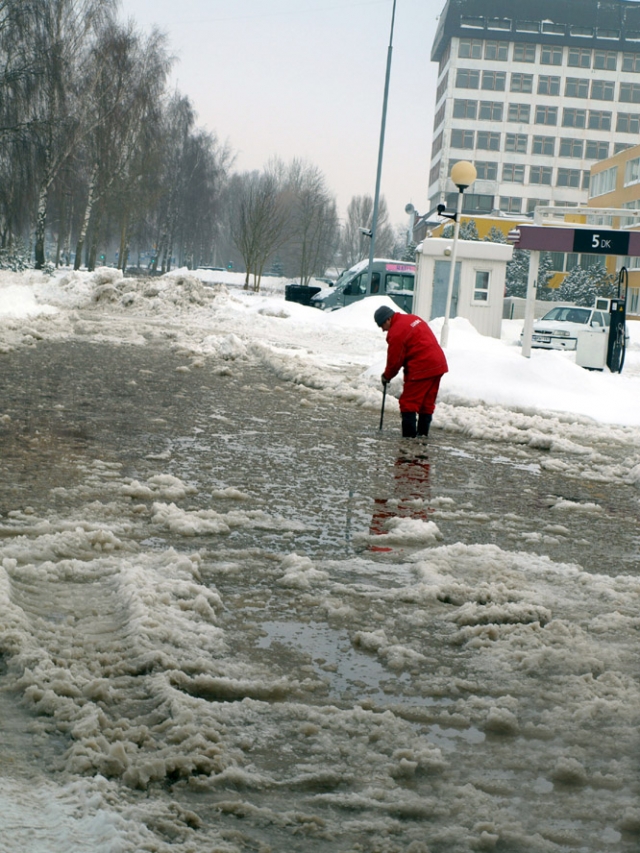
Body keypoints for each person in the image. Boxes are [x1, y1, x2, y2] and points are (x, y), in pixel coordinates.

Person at [374, 304, 448, 438]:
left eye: (381, 326)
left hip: (422, 366)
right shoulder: (412, 318)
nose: (383, 330)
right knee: (426, 403)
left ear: (388, 320)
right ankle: (422, 437)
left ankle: (408, 442)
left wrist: (387, 376)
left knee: (408, 404)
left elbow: (395, 361)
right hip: (438, 364)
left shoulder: (396, 332)